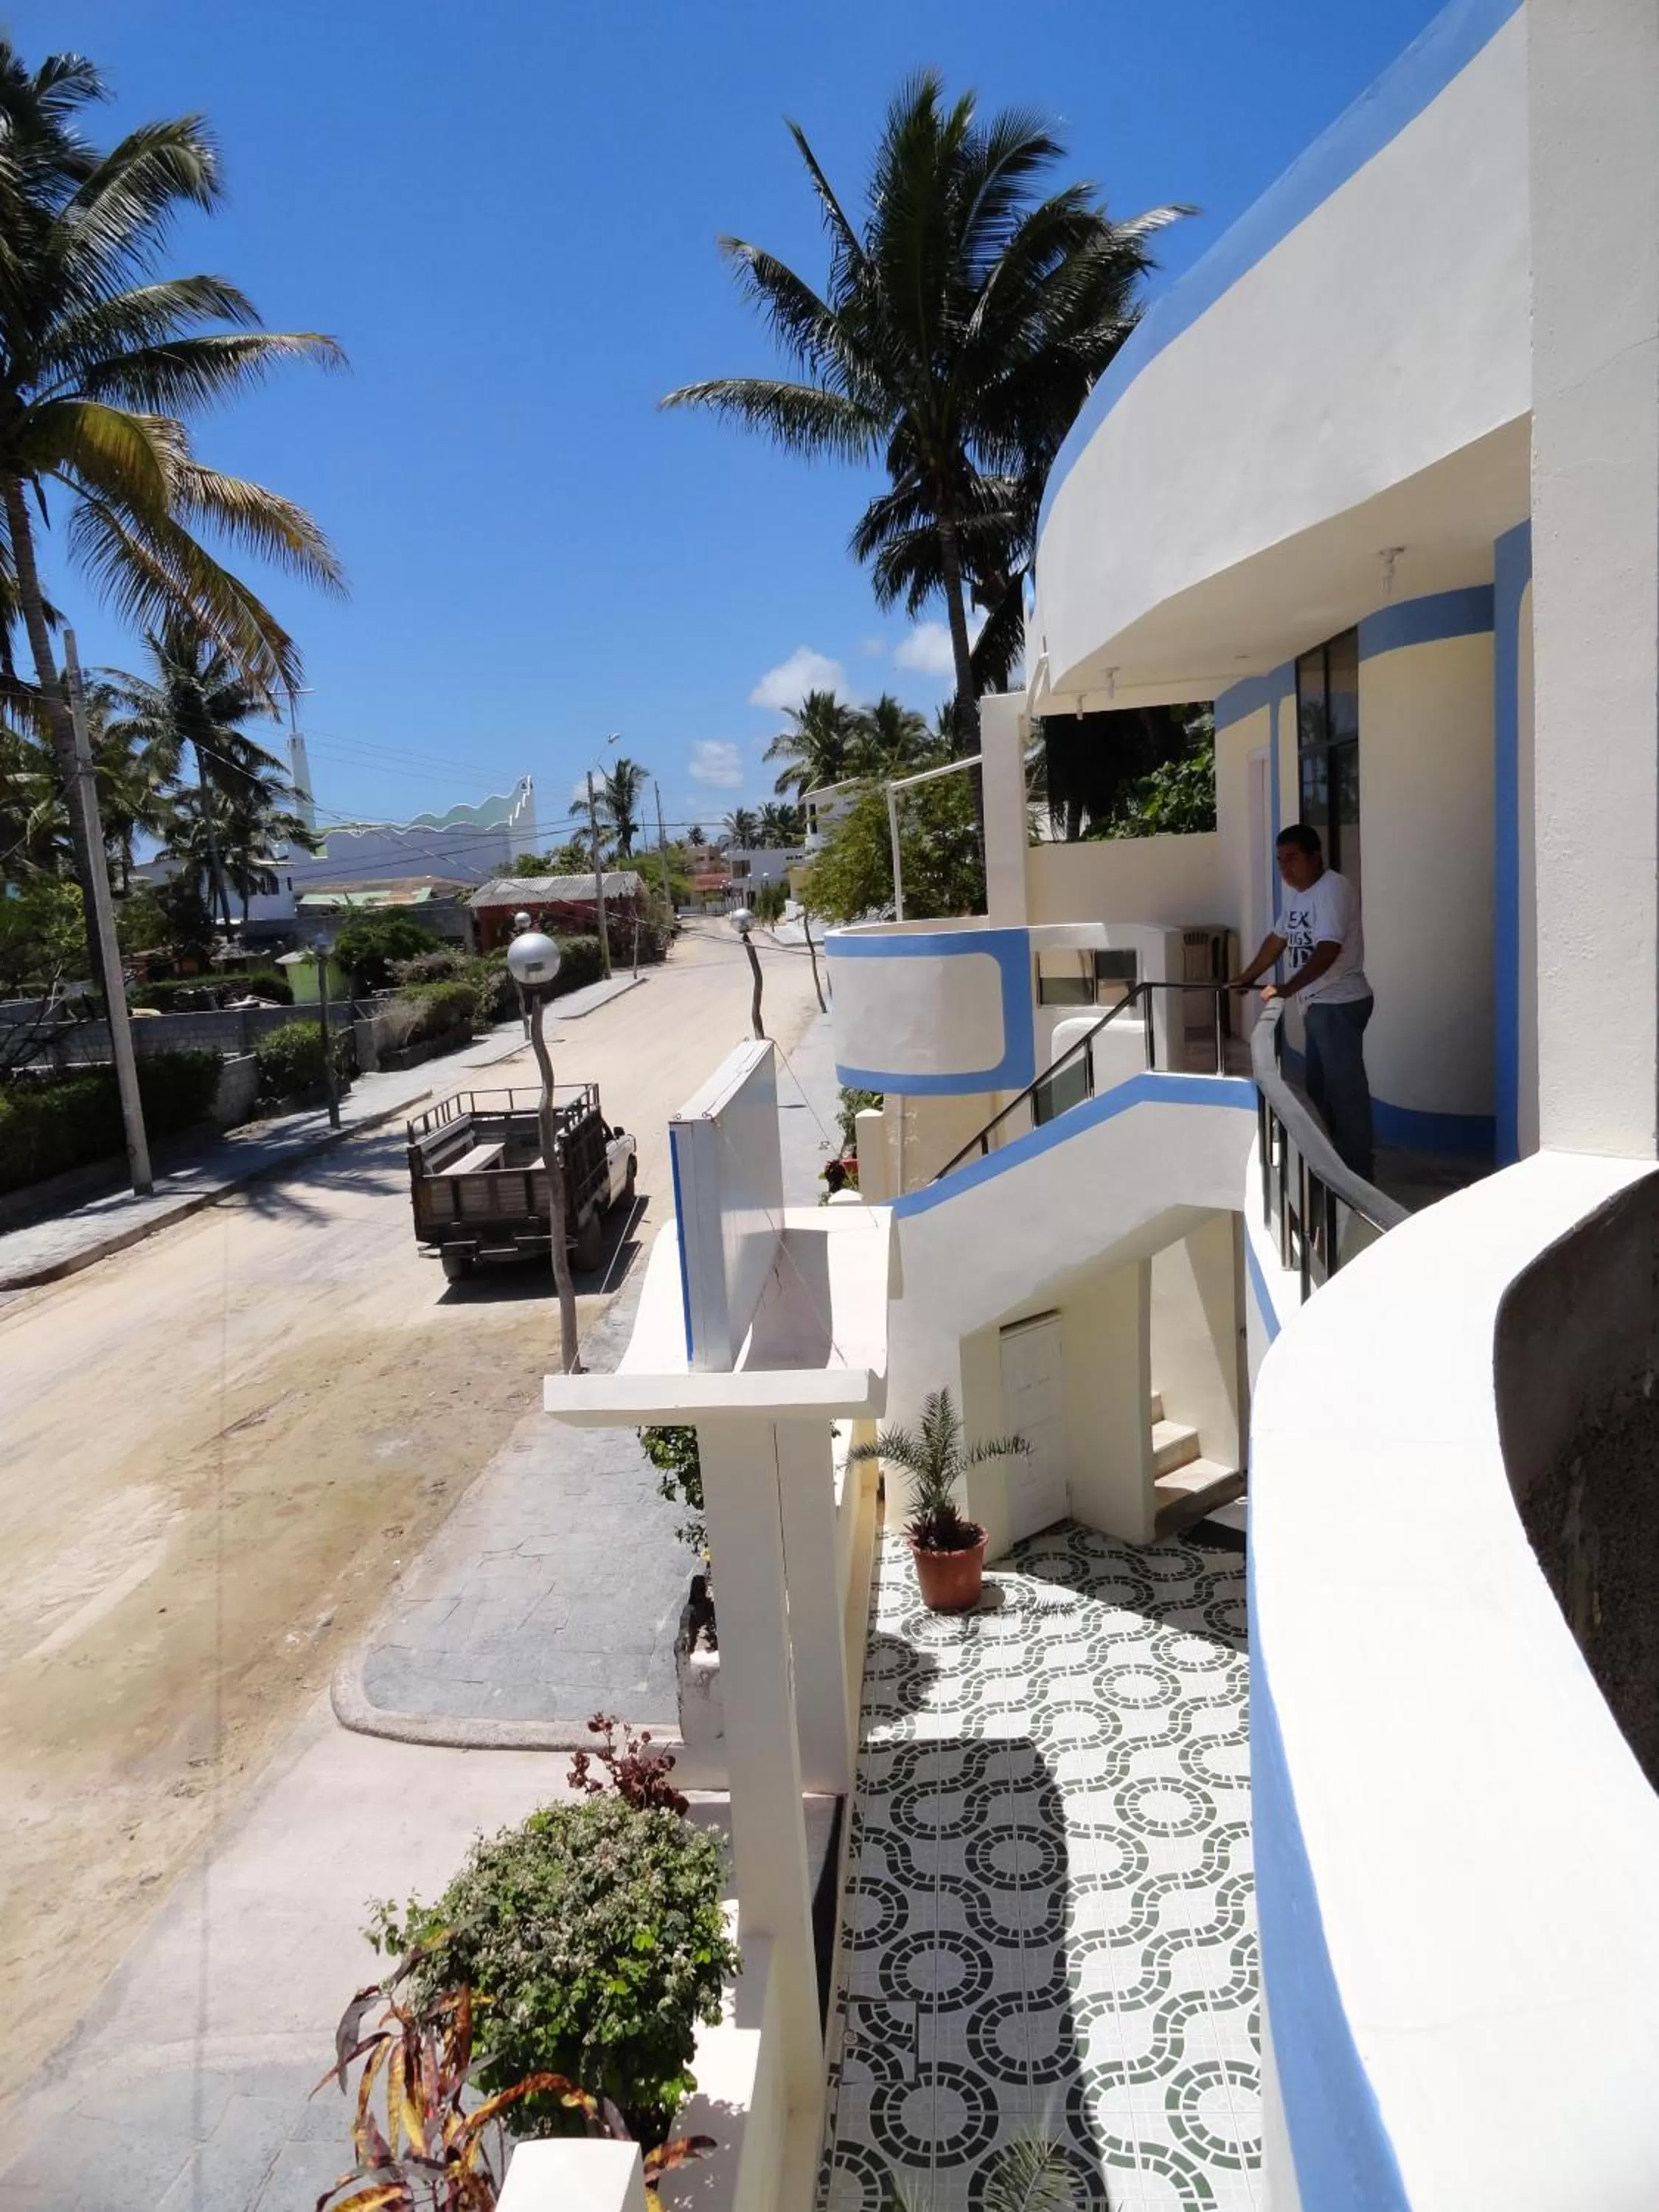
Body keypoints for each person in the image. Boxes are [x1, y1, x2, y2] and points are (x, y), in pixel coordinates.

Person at [1231, 822, 1374, 1181]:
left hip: (1337, 1004)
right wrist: (1247, 977)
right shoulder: (1301, 896)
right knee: (1320, 1091)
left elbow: (1329, 949)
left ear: (1315, 856)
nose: (1285, 869)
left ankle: (1357, 1180)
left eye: (1292, 859)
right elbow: (1277, 940)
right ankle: (1333, 1168)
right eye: (1281, 861)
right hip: (1318, 1006)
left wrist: (1287, 988)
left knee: (1345, 1096)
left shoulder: (1332, 890)